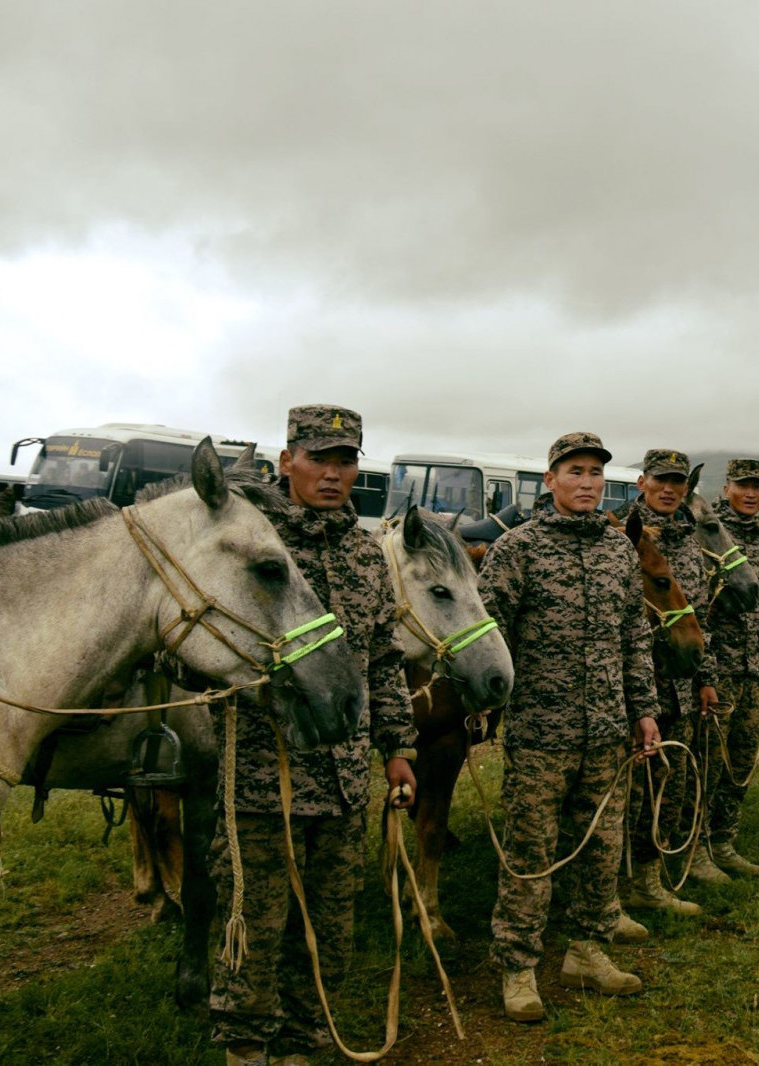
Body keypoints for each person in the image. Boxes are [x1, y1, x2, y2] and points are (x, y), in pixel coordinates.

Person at [209, 405, 418, 1065]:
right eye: (319, 459)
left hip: (346, 778)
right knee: (256, 923)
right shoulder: (251, 546)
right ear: (286, 462)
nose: (333, 474)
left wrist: (398, 750)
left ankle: (303, 1038)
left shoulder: (364, 552)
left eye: (345, 461)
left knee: (329, 925)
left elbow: (382, 660)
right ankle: (246, 1046)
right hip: (262, 775)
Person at [479, 431, 661, 1023]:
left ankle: (587, 950)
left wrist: (645, 710)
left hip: (607, 730)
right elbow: (489, 636)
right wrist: (485, 705)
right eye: (575, 471)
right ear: (550, 479)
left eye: (595, 473)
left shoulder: (616, 552)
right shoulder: (518, 550)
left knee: (602, 847)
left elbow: (635, 634)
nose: (587, 482)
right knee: (531, 851)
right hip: (540, 731)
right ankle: (518, 966)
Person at [615, 450, 719, 907]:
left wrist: (704, 677)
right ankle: (614, 887)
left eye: (678, 481)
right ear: (641, 482)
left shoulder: (690, 542)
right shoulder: (618, 533)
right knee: (629, 793)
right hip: (630, 689)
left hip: (678, 683)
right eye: (661, 480)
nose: (670, 489)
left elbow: (698, 618)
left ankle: (649, 881)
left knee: (669, 786)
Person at [701, 458, 759, 877]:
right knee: (708, 763)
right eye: (742, 485)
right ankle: (695, 848)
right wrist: (705, 670)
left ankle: (724, 841)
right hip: (717, 671)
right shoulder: (708, 533)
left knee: (741, 761)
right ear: (726, 486)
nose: (751, 493)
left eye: (757, 486)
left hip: (755, 671)